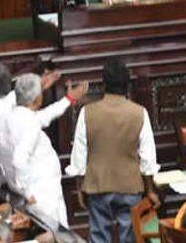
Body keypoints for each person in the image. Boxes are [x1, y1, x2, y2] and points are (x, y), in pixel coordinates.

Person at [0, 73, 87, 231]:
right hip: (41, 196)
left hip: (24, 191)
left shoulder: (4, 117)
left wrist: (0, 176)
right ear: (37, 99)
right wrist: (27, 191)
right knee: (54, 237)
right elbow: (18, 160)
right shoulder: (29, 123)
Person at [68, 59, 160, 243]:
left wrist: (80, 186)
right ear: (127, 86)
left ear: (103, 85)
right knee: (129, 237)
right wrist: (150, 189)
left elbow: (79, 155)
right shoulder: (139, 113)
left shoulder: (87, 112)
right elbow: (147, 158)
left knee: (99, 236)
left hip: (97, 185)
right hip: (130, 186)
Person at [0, 64, 72, 142]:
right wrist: (68, 99)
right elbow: (41, 118)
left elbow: (13, 97)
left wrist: (39, 85)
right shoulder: (4, 114)